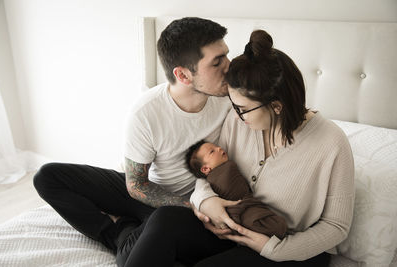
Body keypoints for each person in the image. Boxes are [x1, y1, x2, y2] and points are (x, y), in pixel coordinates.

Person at [125, 29, 355, 267]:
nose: (236, 114)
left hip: (286, 249)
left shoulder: (331, 143)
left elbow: (336, 226)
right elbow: (211, 171)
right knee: (165, 219)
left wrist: (274, 249)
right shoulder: (238, 122)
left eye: (242, 108)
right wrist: (206, 201)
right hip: (232, 232)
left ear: (276, 107)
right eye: (234, 106)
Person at [32, 17, 238, 267]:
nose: (229, 66)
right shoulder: (146, 112)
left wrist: (197, 204)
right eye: (218, 62)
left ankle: (129, 232)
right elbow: (136, 184)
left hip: (186, 208)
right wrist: (189, 204)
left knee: (152, 234)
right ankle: (116, 234)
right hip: (152, 192)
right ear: (183, 74)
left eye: (226, 56)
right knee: (47, 176)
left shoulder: (232, 97)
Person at [186, 140, 287, 238]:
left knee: (260, 219)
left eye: (216, 146)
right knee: (260, 222)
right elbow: (202, 190)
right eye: (212, 151)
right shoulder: (211, 179)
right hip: (235, 208)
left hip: (244, 204)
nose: (219, 148)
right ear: (206, 169)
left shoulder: (228, 166)